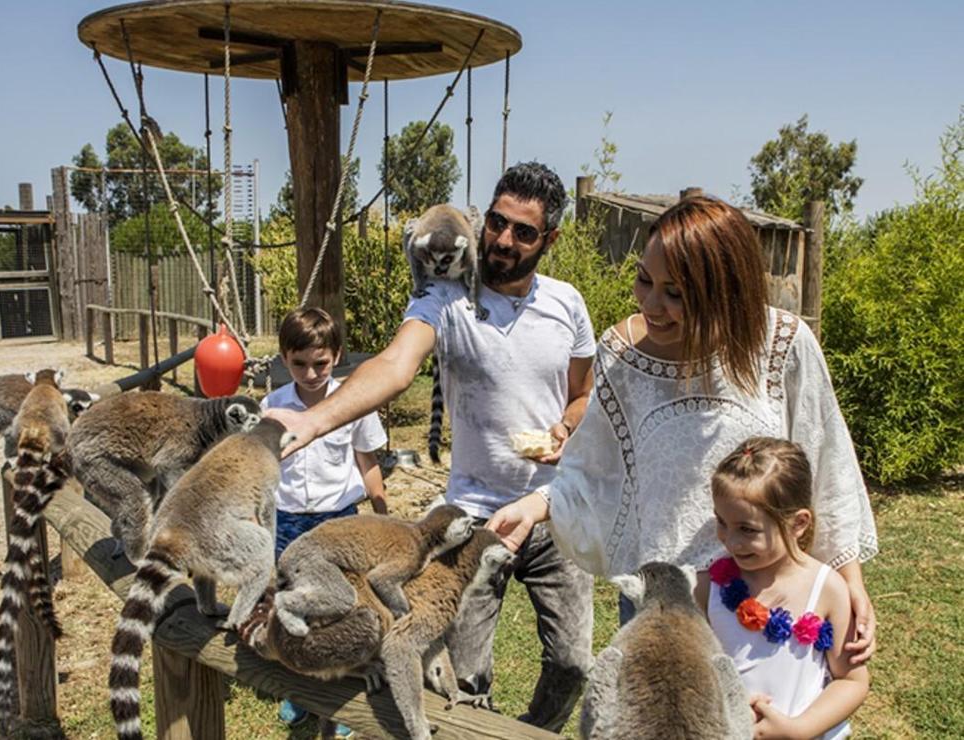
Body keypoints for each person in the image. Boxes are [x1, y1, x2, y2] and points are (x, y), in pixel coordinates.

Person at [265, 162, 596, 731]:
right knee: (458, 674)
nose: (503, 240)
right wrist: (315, 421)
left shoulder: (566, 304)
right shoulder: (445, 300)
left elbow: (581, 393)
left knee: (572, 663)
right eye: (496, 222)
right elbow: (394, 366)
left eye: (523, 231)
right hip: (469, 518)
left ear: (550, 239)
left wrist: (567, 428)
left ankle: (532, 732)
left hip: (552, 507)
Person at [488, 195, 879, 663]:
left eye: (675, 293)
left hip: (772, 604)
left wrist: (848, 583)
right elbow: (593, 471)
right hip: (659, 607)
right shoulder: (623, 358)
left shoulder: (784, 347)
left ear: (723, 292)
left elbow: (826, 468)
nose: (652, 304)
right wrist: (534, 506)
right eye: (644, 280)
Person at [262, 307, 388, 736]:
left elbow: (366, 460)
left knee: (343, 606)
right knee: (294, 605)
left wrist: (382, 509)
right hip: (291, 519)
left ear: (336, 356)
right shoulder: (273, 406)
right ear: (284, 358)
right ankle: (300, 688)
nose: (312, 373)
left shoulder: (355, 401)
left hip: (340, 520)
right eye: (300, 364)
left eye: (321, 363)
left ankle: (342, 692)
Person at [701, 436, 869, 739]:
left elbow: (852, 681)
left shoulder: (827, 588)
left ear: (798, 523)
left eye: (747, 529)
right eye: (722, 522)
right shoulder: (709, 584)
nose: (730, 540)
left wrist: (798, 729)